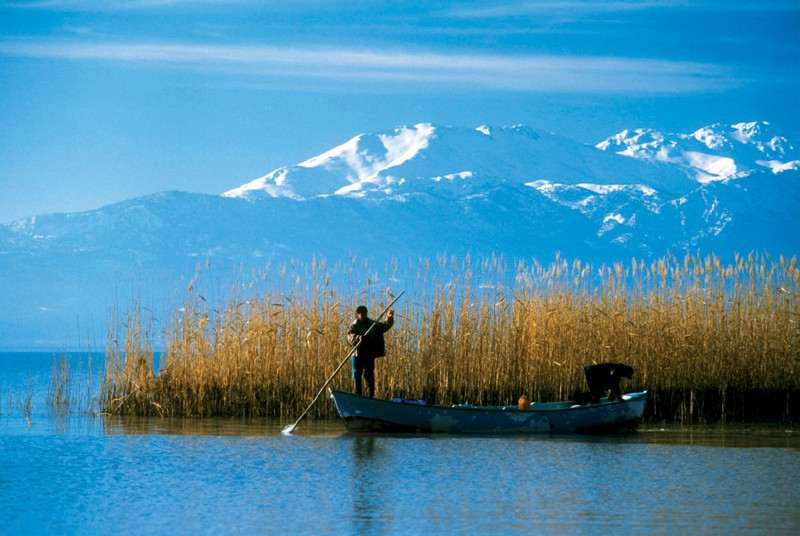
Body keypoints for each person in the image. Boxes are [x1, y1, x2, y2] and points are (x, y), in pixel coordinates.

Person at [347, 305, 395, 397]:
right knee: (357, 373)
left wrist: (389, 317)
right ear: (358, 315)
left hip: (368, 353)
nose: (364, 315)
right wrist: (358, 337)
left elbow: (384, 327)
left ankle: (371, 395)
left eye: (365, 313)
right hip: (357, 353)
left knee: (369, 374)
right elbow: (350, 336)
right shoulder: (353, 325)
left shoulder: (372, 324)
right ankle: (358, 394)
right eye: (362, 313)